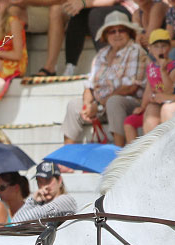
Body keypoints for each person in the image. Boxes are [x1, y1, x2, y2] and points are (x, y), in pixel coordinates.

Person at [61, 11, 146, 146]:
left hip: (127, 103)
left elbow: (130, 87)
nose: (117, 34)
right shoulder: (102, 53)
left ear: (129, 32)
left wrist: (99, 105)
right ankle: (65, 158)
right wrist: (87, 104)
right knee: (73, 105)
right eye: (112, 31)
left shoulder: (135, 51)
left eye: (121, 30)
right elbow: (89, 85)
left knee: (114, 102)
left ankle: (117, 152)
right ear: (106, 35)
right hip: (100, 104)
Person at [124, 28, 175, 145]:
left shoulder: (173, 65)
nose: (160, 49)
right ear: (150, 49)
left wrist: (163, 71)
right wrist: (142, 106)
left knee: (152, 121)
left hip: (166, 104)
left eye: (163, 46)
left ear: (169, 47)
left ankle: (154, 149)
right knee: (129, 121)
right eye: (156, 46)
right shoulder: (151, 67)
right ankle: (135, 156)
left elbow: (170, 89)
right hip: (153, 102)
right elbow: (149, 88)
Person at [61, 0, 132, 77]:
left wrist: (83, 3)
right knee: (79, 15)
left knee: (96, 14)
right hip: (101, 7)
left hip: (129, 8)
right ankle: (70, 65)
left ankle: (107, 64)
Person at [11, 161, 78, 223]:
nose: (44, 186)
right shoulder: (40, 204)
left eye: (48, 180)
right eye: (39, 181)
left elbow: (18, 221)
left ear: (59, 180)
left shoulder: (67, 200)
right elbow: (15, 222)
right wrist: (33, 200)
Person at [11, 0, 65, 76]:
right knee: (12, 10)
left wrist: (26, 1)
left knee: (55, 9)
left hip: (67, 8)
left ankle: (50, 68)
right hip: (38, 8)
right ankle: (10, 67)